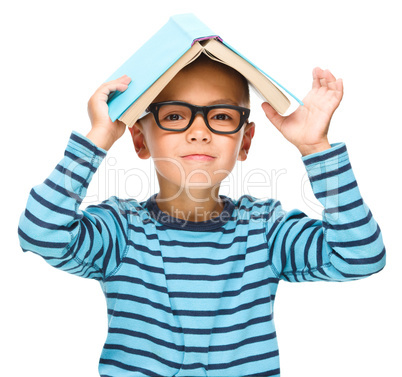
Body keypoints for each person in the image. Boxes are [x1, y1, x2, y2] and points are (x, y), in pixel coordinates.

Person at [18, 54, 386, 376]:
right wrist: (98, 136)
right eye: (175, 115)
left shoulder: (265, 230)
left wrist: (315, 148)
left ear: (245, 142)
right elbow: (40, 232)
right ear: (139, 140)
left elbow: (360, 257)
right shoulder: (121, 230)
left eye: (222, 116)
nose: (199, 133)